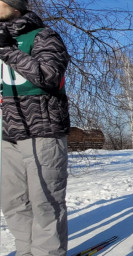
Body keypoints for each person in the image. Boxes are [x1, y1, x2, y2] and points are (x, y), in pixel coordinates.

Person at [0, 1, 71, 255]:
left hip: (43, 129)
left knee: (46, 204)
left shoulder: (43, 36)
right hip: (9, 133)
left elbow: (50, 75)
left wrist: (8, 50)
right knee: (13, 203)